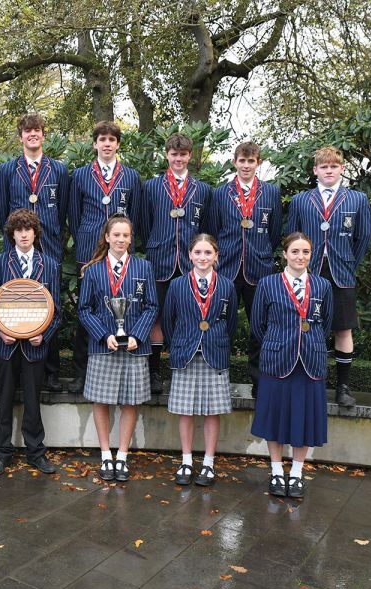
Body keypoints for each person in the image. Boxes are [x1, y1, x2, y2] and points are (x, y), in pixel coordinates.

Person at [287, 146, 371, 407]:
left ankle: (343, 387)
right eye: (323, 167)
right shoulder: (301, 200)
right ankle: (309, 383)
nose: (329, 171)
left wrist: (347, 263)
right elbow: (292, 236)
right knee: (306, 327)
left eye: (333, 166)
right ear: (315, 171)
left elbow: (363, 237)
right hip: (307, 272)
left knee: (343, 329)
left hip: (341, 274)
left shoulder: (357, 199)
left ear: (342, 169)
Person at [250, 232, 333, 499]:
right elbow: (257, 325)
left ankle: (296, 472)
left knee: (305, 420)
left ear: (312, 255)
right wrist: (280, 343)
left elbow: (326, 323)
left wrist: (306, 342)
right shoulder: (268, 284)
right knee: (274, 418)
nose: (300, 257)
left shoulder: (322, 286)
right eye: (295, 251)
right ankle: (276, 470)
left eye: (306, 252)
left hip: (310, 360)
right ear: (284, 254)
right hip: (277, 360)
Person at [77, 215, 157, 482]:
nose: (121, 240)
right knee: (101, 400)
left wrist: (138, 334)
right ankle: (105, 455)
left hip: (134, 346)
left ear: (131, 238)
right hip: (104, 347)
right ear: (107, 237)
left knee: (131, 401)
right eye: (117, 235)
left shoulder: (143, 267)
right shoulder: (93, 270)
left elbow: (152, 306)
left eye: (126, 235)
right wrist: (103, 335)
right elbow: (84, 309)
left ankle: (122, 455)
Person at [0, 114, 70, 392]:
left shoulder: (58, 170)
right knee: (16, 304)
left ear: (43, 134)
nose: (32, 135)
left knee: (50, 305)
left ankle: (50, 372)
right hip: (17, 244)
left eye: (37, 130)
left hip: (48, 244)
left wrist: (47, 233)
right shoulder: (7, 170)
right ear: (21, 136)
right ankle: (15, 366)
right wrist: (15, 234)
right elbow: (3, 209)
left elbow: (62, 210)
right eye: (27, 131)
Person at [68, 121, 143, 394]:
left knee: (120, 309)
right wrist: (86, 239)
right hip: (89, 249)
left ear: (118, 144)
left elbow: (135, 215)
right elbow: (74, 214)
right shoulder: (80, 175)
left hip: (120, 249)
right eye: (102, 139)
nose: (107, 144)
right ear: (95, 144)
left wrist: (124, 241)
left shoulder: (131, 177)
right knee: (86, 311)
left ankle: (119, 368)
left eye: (112, 139)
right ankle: (80, 373)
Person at [0, 209, 61, 476]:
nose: (23, 234)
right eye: (18, 230)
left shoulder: (49, 264)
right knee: (4, 399)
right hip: (7, 345)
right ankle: (1, 452)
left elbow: (57, 310)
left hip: (35, 345)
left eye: (28, 229)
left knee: (33, 399)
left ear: (35, 233)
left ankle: (35, 452)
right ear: (12, 234)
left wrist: (45, 334)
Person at [138, 132, 212, 395]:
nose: (178, 158)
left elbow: (206, 227)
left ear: (190, 156)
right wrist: (155, 244)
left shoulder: (202, 190)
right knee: (156, 317)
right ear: (166, 155)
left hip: (191, 264)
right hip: (160, 260)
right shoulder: (152, 186)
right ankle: (154, 372)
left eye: (183, 154)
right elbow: (144, 224)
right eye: (174, 154)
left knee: (190, 317)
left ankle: (184, 370)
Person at [162, 234, 237, 486]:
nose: (203, 257)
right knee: (185, 411)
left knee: (212, 412)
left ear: (216, 256)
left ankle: (208, 462)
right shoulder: (177, 285)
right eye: (198, 252)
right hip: (186, 353)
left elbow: (231, 323)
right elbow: (169, 321)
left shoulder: (227, 285)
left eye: (208, 253)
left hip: (214, 353)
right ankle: (185, 460)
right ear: (190, 255)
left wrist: (217, 341)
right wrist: (179, 345)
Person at [208, 141, 281, 397]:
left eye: (251, 161)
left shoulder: (271, 193)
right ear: (234, 162)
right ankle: (218, 378)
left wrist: (261, 253)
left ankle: (259, 381)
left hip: (259, 269)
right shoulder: (220, 193)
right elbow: (214, 230)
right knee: (221, 325)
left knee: (259, 326)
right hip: (226, 268)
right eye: (242, 160)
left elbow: (274, 233)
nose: (246, 165)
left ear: (258, 163)